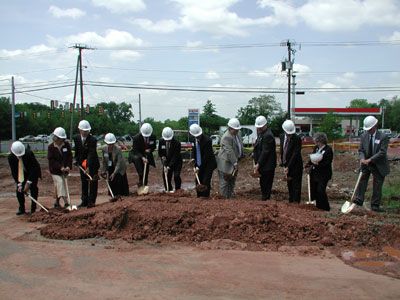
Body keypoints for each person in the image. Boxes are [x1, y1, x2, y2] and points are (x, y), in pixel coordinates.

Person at [354, 115, 390, 212]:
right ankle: (359, 199)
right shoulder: (364, 136)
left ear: (375, 126)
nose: (368, 130)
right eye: (367, 129)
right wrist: (362, 159)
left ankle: (375, 205)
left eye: (370, 128)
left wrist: (370, 159)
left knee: (377, 185)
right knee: (362, 181)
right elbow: (361, 150)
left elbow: (382, 152)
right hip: (365, 163)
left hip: (378, 164)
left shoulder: (383, 137)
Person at [8, 141, 41, 215]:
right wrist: (19, 184)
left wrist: (28, 183)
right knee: (19, 191)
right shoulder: (11, 158)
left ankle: (33, 209)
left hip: (33, 172)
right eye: (18, 155)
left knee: (33, 188)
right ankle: (22, 208)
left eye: (21, 155)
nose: (19, 156)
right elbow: (14, 172)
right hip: (21, 174)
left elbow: (34, 169)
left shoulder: (29, 154)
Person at [73, 120, 100, 208]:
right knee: (84, 181)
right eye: (84, 131)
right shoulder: (76, 138)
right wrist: (76, 159)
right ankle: (84, 200)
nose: (85, 133)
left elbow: (91, 154)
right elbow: (77, 151)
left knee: (92, 181)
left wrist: (88, 166)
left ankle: (91, 201)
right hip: (82, 163)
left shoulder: (93, 140)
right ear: (80, 130)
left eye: (87, 131)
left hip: (92, 163)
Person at [305, 132, 333, 211]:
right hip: (315, 174)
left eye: (317, 141)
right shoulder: (316, 148)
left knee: (321, 190)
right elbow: (312, 158)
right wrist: (308, 165)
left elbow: (327, 162)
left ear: (321, 141)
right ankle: (318, 206)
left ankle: (325, 207)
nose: (316, 143)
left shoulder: (328, 149)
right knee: (314, 190)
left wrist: (316, 165)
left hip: (324, 174)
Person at [217, 118, 244, 198]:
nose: (237, 131)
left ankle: (230, 198)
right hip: (225, 164)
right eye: (235, 130)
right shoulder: (226, 137)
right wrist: (235, 163)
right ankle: (224, 199)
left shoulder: (238, 134)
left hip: (234, 162)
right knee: (225, 183)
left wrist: (242, 154)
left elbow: (239, 145)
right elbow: (230, 151)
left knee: (232, 181)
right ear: (229, 128)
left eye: (237, 129)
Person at [47, 127, 73, 208]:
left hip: (65, 170)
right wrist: (60, 167)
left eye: (62, 138)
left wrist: (68, 166)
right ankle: (66, 203)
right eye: (60, 138)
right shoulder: (51, 147)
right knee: (61, 183)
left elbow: (69, 157)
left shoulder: (66, 145)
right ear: (56, 138)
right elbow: (52, 161)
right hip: (55, 171)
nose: (62, 140)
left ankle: (56, 203)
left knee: (57, 186)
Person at [253, 115, 277, 200]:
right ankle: (264, 199)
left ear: (265, 125)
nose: (259, 129)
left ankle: (265, 200)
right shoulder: (261, 134)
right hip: (263, 165)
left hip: (267, 166)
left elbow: (265, 152)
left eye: (261, 127)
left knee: (266, 185)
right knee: (263, 184)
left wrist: (258, 164)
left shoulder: (268, 135)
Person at [190, 123, 217, 197]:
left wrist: (199, 167)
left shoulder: (207, 141)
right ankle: (199, 197)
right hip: (198, 163)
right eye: (195, 136)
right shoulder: (193, 140)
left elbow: (206, 156)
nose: (197, 137)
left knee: (205, 181)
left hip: (208, 164)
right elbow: (194, 150)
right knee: (198, 180)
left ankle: (205, 197)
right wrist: (193, 158)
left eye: (198, 135)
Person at [280, 120, 303, 203]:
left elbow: (295, 154)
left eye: (290, 134)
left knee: (296, 185)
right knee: (289, 184)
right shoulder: (282, 136)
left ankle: (296, 202)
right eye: (288, 133)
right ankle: (291, 201)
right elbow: (282, 150)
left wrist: (288, 166)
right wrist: (283, 163)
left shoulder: (297, 139)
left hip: (296, 166)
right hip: (287, 165)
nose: (289, 135)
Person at [101, 133, 129, 198]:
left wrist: (114, 173)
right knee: (111, 178)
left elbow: (119, 163)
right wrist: (103, 171)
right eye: (109, 144)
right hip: (110, 165)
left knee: (118, 177)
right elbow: (104, 161)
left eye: (112, 144)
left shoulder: (118, 149)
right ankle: (113, 193)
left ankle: (120, 193)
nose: (110, 145)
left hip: (120, 167)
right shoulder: (104, 149)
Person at [129, 123, 156, 189]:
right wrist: (142, 157)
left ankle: (144, 184)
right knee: (141, 171)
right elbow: (136, 150)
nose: (146, 137)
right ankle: (141, 182)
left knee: (146, 171)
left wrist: (150, 150)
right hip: (136, 154)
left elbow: (153, 146)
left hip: (147, 154)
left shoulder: (153, 137)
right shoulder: (136, 138)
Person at [158, 127, 183, 192]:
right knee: (165, 175)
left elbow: (175, 156)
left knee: (176, 176)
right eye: (166, 139)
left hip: (177, 162)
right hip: (166, 161)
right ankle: (168, 189)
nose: (167, 141)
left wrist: (169, 167)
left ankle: (178, 189)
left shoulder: (177, 143)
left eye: (169, 139)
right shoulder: (161, 141)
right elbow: (160, 152)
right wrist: (163, 157)